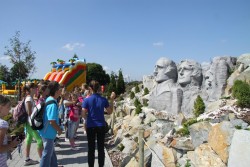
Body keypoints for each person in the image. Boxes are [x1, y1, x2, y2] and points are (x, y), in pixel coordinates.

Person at [82, 80, 116, 167]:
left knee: (91, 149)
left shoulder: (86, 100)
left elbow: (83, 114)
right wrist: (112, 100)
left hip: (90, 125)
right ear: (98, 88)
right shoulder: (103, 99)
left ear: (90, 88)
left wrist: (88, 119)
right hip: (101, 125)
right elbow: (110, 112)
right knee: (101, 149)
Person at [39, 81, 63, 167]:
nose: (61, 90)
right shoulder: (52, 103)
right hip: (48, 133)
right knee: (46, 155)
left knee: (51, 154)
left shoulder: (49, 99)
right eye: (60, 89)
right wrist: (59, 130)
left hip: (47, 132)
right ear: (57, 91)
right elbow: (51, 121)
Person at [23, 83, 43, 166]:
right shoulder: (28, 99)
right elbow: (29, 112)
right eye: (35, 88)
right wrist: (37, 109)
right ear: (31, 89)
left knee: (28, 139)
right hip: (30, 123)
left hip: (28, 122)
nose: (36, 90)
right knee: (39, 140)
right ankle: (43, 160)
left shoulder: (30, 98)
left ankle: (27, 159)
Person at [0, 95, 19, 167]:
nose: (10, 109)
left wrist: (6, 138)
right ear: (1, 107)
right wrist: (12, 145)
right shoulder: (2, 124)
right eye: (8, 107)